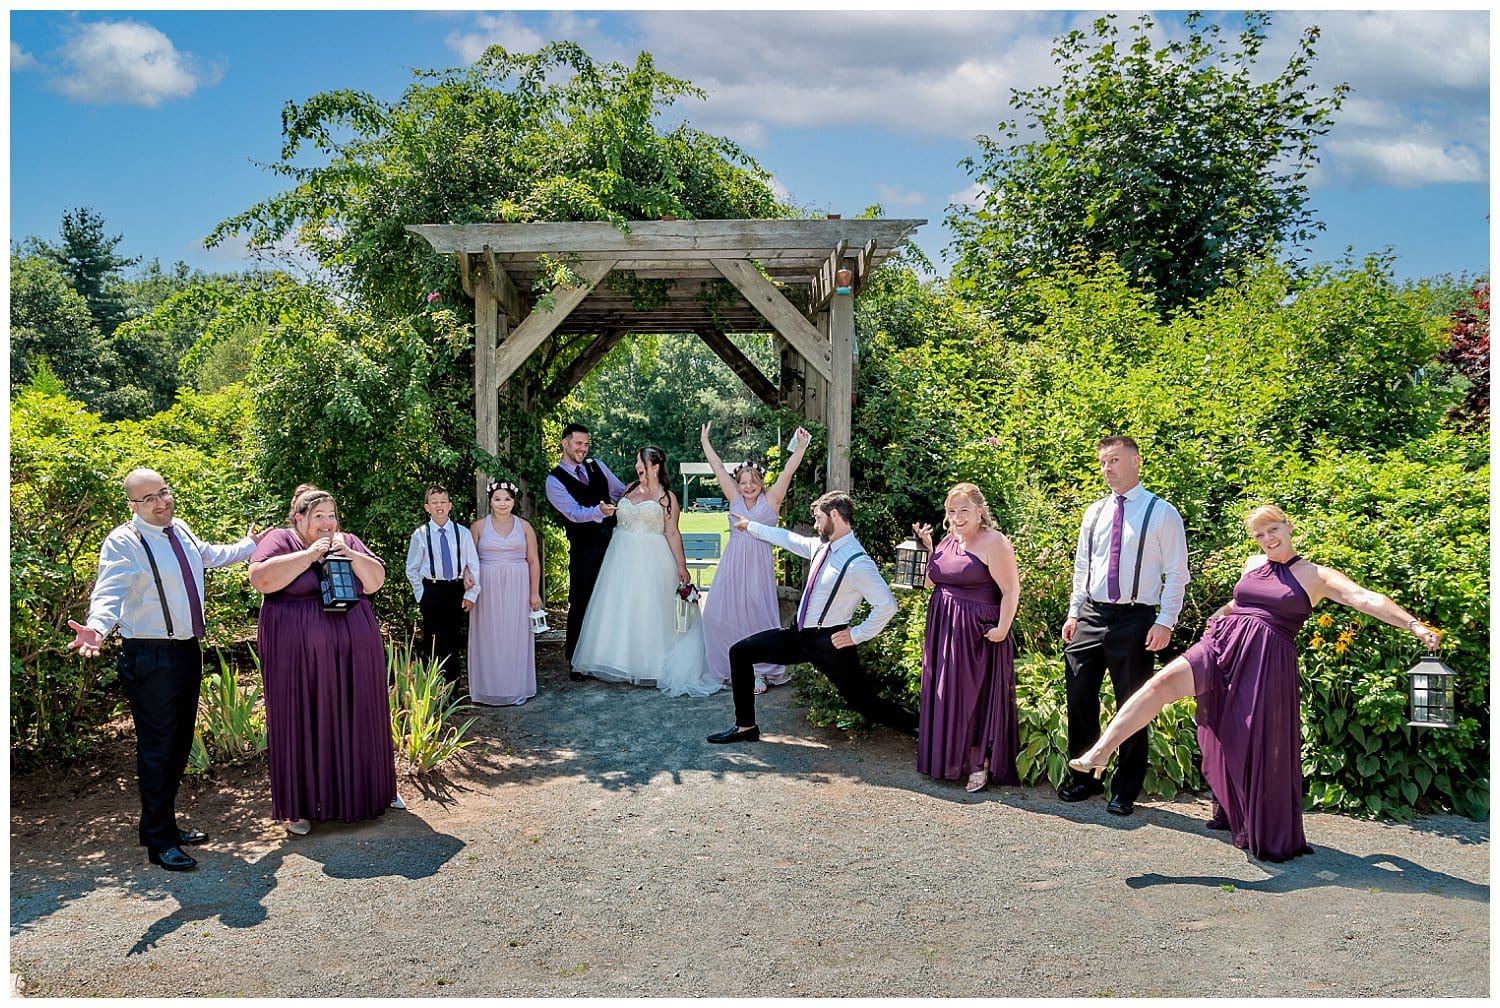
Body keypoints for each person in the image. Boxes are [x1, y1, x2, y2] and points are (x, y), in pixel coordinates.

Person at [1070, 505, 1444, 862]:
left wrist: (1412, 624)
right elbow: (1238, 603)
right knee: (1159, 686)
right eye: (1259, 534)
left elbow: (1364, 599)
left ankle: (1255, 819)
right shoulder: (1252, 564)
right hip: (1223, 643)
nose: (1267, 539)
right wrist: (1218, 616)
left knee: (1251, 740)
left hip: (1266, 659)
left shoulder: (1315, 576)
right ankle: (1100, 752)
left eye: (1273, 530)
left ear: (1288, 527)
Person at [66, 468, 265, 872]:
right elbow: (110, 591)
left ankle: (164, 827)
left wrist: (250, 545)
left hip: (186, 651)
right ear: (133, 505)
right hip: (149, 656)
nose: (162, 502)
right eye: (150, 498)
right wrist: (97, 628)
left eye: (164, 492)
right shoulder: (124, 541)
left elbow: (210, 555)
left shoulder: (182, 530)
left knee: (177, 745)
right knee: (158, 749)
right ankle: (159, 842)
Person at [248, 485, 399, 836]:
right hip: (296, 657)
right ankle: (299, 808)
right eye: (319, 516)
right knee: (300, 718)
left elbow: (375, 582)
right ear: (299, 518)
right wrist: (309, 555)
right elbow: (261, 579)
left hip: (353, 653)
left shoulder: (347, 541)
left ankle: (363, 796)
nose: (328, 523)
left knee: (356, 714)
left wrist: (349, 553)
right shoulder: (280, 540)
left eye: (332, 516)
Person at [707, 490, 915, 744]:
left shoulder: (858, 562)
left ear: (834, 515)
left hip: (829, 643)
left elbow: (886, 605)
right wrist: (750, 525)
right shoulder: (821, 547)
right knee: (740, 652)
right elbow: (787, 538)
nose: (816, 525)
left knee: (867, 704)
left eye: (818, 518)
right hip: (798, 636)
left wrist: (856, 635)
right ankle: (745, 726)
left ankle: (928, 731)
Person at [1059, 435, 1190, 816]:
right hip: (1092, 616)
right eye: (1102, 462)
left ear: (1136, 462)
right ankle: (1085, 777)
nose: (1107, 469)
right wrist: (1074, 613)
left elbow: (1176, 573)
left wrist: (1165, 621)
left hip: (1136, 619)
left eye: (1115, 460)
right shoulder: (1094, 512)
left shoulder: (1161, 512)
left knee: (1131, 704)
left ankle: (1125, 788)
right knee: (1079, 695)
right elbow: (1083, 568)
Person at [570, 446, 720, 697]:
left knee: (649, 609)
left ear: (655, 466)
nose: (637, 466)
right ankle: (619, 661)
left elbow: (672, 532)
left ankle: (650, 663)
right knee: (620, 607)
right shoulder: (629, 488)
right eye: (637, 462)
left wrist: (682, 566)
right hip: (619, 558)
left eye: (641, 462)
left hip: (653, 558)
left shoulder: (667, 497)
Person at [911, 483, 1021, 793]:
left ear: (980, 511)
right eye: (951, 511)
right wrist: (929, 546)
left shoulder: (994, 542)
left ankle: (978, 763)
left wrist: (1002, 628)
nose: (957, 517)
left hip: (976, 632)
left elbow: (1012, 590)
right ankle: (948, 759)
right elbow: (933, 580)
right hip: (944, 627)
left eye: (963, 510)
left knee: (972, 697)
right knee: (946, 692)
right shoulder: (948, 540)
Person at [698, 422, 812, 693]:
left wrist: (802, 446)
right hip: (733, 563)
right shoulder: (733, 497)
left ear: (761, 483)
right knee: (718, 613)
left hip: (758, 564)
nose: (748, 487)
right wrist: (705, 442)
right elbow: (717, 467)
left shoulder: (771, 499)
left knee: (757, 615)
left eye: (753, 482)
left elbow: (787, 471)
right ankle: (730, 668)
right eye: (743, 482)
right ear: (737, 484)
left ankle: (759, 671)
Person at [544, 423, 625, 676]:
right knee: (581, 601)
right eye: (578, 443)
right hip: (584, 549)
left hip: (613, 544)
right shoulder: (554, 480)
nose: (583, 448)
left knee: (611, 599)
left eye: (586, 444)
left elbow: (620, 491)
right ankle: (576, 660)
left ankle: (608, 656)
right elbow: (573, 513)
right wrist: (599, 512)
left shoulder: (597, 466)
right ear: (565, 443)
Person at [467, 479, 541, 707]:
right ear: (490, 501)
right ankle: (488, 689)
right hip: (486, 588)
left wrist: (534, 593)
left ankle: (515, 687)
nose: (502, 504)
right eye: (497, 499)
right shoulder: (478, 527)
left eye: (507, 499)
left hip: (518, 587)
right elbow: (468, 560)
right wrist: (467, 578)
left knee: (514, 635)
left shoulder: (524, 526)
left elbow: (533, 561)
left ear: (514, 501)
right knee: (488, 636)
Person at [404, 485, 478, 691]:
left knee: (454, 642)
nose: (439, 506)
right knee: (433, 642)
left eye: (443, 502)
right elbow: (412, 568)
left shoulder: (461, 533)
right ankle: (434, 693)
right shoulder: (420, 535)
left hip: (455, 589)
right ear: (427, 507)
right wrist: (422, 595)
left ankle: (453, 691)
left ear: (450, 505)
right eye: (434, 503)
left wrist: (471, 593)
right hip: (432, 590)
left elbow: (473, 564)